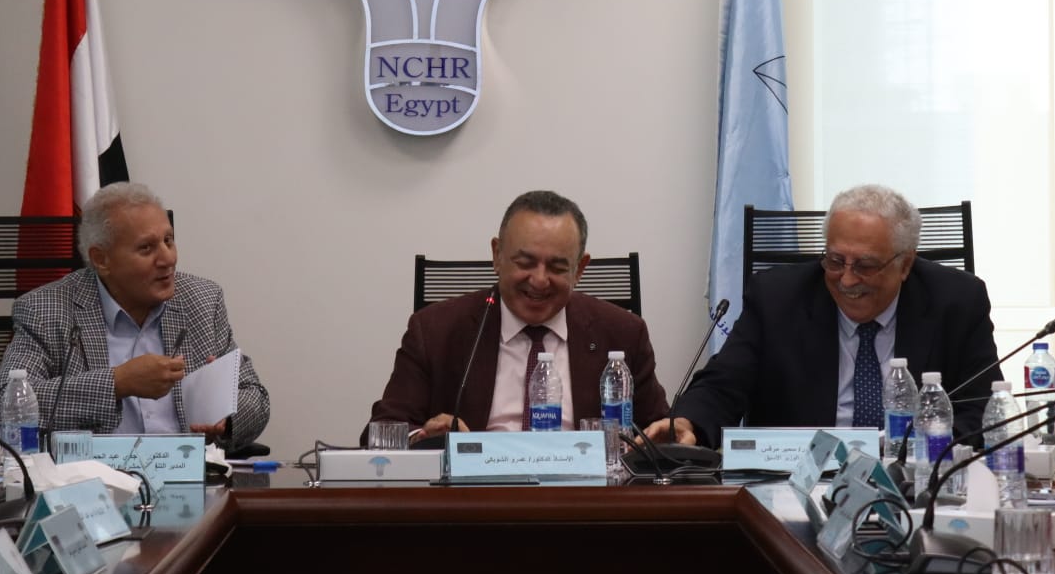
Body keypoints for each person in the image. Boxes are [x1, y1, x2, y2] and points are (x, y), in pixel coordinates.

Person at [646, 184, 1001, 450]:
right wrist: (689, 422)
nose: (847, 280)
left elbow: (981, 409)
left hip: (913, 481)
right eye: (834, 261)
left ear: (905, 264)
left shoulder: (956, 301)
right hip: (793, 483)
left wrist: (917, 451)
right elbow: (724, 382)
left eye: (865, 265)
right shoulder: (777, 298)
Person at [367, 190, 669, 442]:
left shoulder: (623, 332)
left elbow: (661, 434)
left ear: (579, 269)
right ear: (497, 255)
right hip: (473, 491)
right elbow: (381, 431)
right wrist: (424, 437)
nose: (539, 280)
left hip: (586, 493)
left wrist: (674, 433)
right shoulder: (435, 329)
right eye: (525, 263)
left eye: (557, 267)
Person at [0, 183, 269, 450]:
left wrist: (226, 418)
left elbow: (255, 397)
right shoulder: (47, 309)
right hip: (91, 474)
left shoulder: (202, 301)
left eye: (168, 240)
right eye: (146, 248)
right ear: (101, 260)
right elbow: (4, 401)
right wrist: (117, 383)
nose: (167, 259)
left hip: (187, 469)